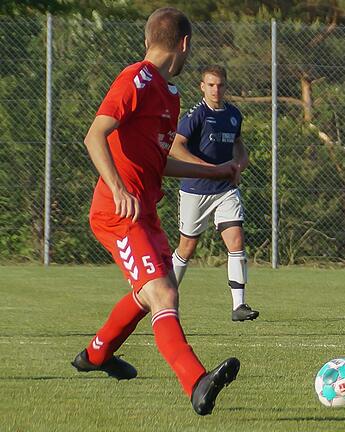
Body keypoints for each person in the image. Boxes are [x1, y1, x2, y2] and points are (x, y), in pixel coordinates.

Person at [71, 8, 241, 416]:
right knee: (163, 292)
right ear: (184, 44)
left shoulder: (169, 93)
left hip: (144, 211)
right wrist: (117, 188)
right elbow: (94, 135)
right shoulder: (136, 79)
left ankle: (96, 354)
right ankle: (196, 382)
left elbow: (158, 161)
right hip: (118, 212)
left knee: (153, 295)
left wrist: (214, 170)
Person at [168, 65, 257, 322]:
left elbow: (239, 147)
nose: (216, 89)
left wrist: (239, 165)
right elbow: (175, 147)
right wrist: (208, 169)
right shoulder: (196, 115)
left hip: (225, 190)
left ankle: (239, 306)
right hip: (196, 190)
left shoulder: (233, 115)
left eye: (220, 85)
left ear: (226, 86)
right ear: (202, 87)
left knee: (236, 240)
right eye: (210, 85)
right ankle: (164, 298)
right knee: (187, 247)